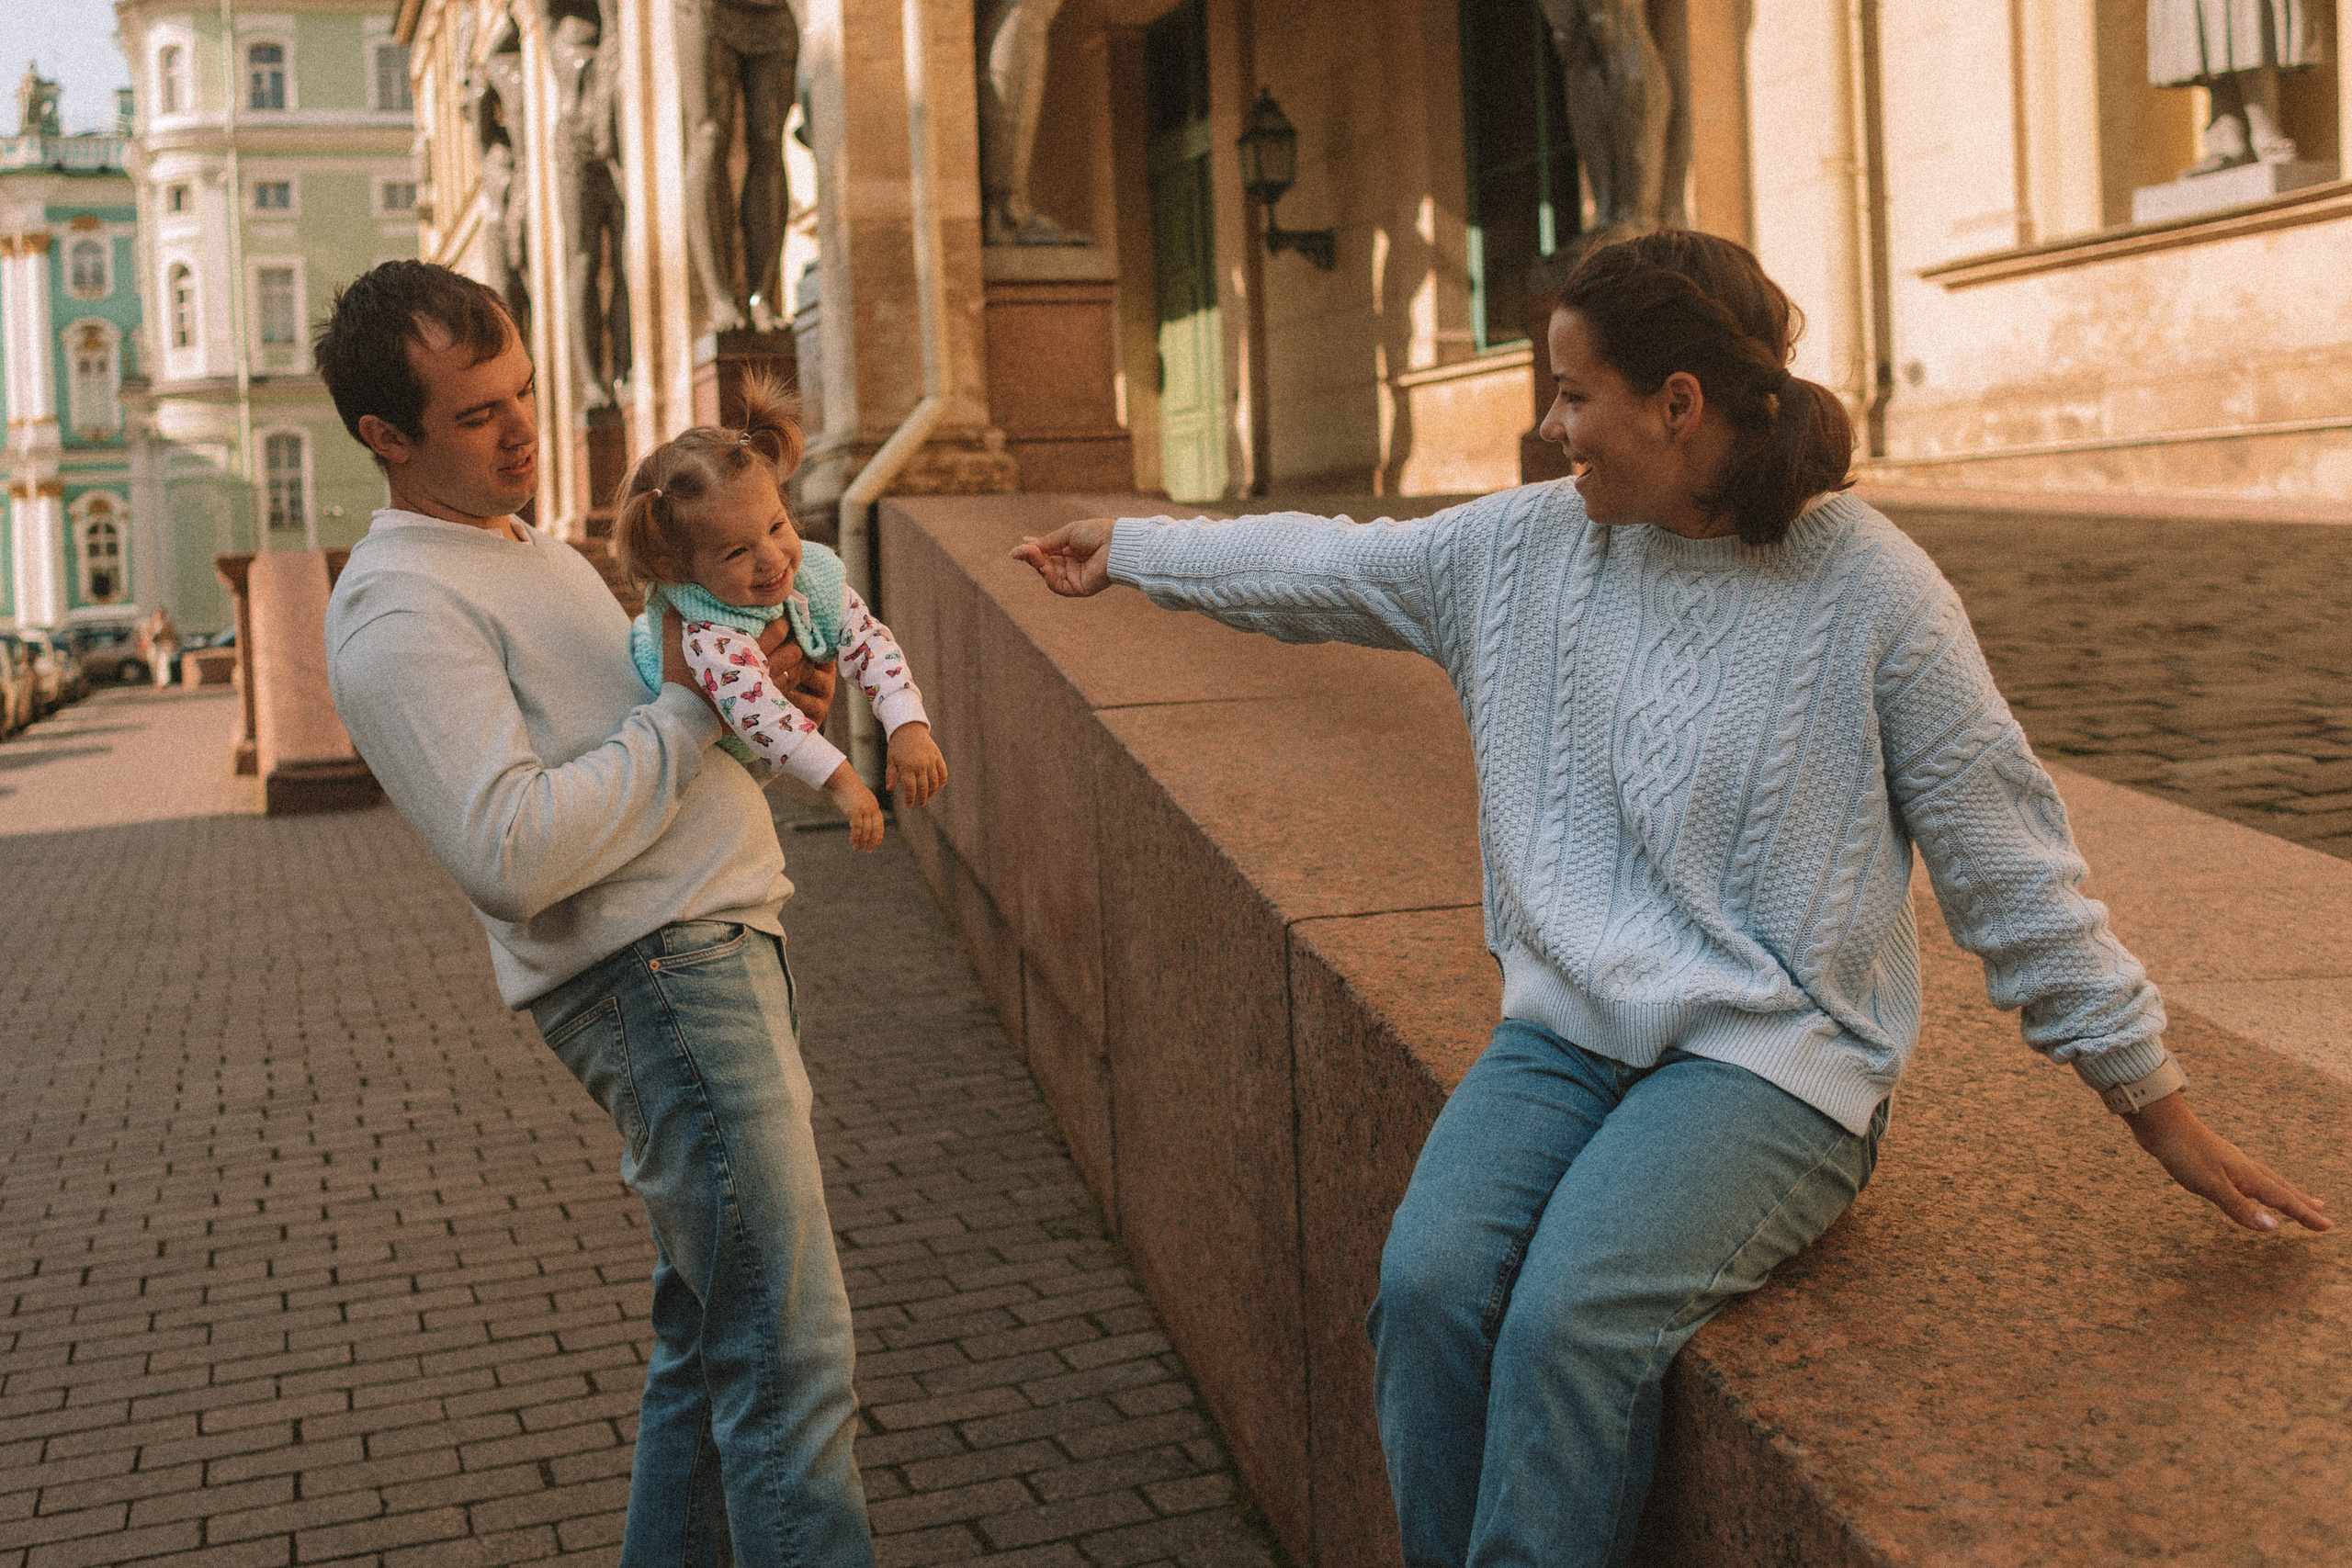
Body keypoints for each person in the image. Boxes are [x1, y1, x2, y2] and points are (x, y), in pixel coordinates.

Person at [1012, 230, 2330, 1568]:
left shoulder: (1871, 588)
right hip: (1564, 1035)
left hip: (1775, 1061)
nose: (1552, 426)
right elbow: (1325, 564)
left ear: (1678, 404)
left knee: (1569, 1320)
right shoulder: (1520, 551)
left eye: (1574, 392)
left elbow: (2007, 860)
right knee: (1427, 1290)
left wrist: (2151, 1099)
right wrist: (1133, 547)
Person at [313, 260, 875, 1568]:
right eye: (476, 414)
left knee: (712, 1350)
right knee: (790, 1367)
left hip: (708, 953)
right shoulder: (398, 604)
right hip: (661, 980)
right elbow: (509, 852)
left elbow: (648, 749)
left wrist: (761, 714)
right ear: (385, 436)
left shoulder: (523, 548)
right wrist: (689, 712)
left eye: (522, 390)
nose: (523, 430)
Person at [615, 372, 947, 852]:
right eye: (736, 552)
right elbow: (761, 715)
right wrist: (841, 780)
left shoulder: (810, 579)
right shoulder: (707, 632)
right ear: (680, 569)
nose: (771, 559)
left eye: (776, 526)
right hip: (680, 783)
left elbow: (869, 642)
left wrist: (907, 725)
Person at [141, 605, 179, 687]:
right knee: (154, 663)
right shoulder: (150, 623)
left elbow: (172, 634)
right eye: (157, 613)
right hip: (152, 645)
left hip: (164, 644)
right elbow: (144, 634)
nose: (159, 615)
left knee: (163, 662)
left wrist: (174, 643)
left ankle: (163, 682)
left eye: (161, 613)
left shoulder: (167, 623)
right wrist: (145, 642)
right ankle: (157, 681)